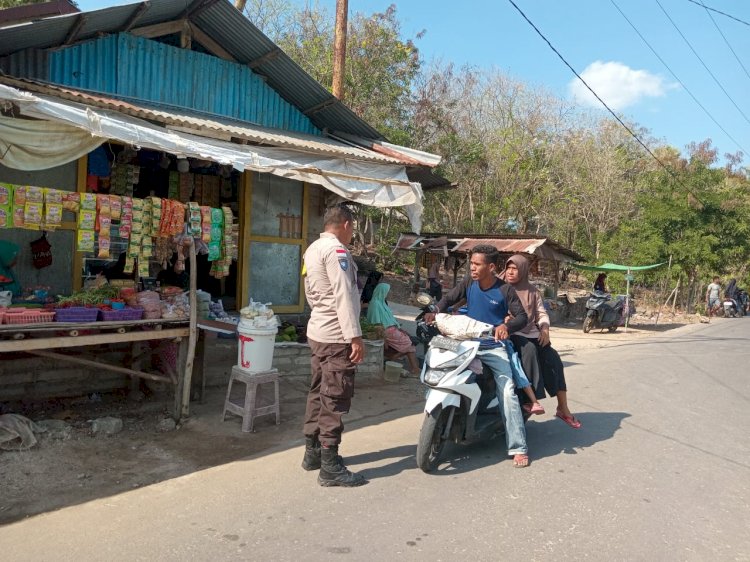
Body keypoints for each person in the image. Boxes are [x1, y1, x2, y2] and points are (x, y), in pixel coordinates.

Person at [426, 244, 532, 468]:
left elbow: (522, 317)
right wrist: (435, 311)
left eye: (476, 264)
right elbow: (449, 300)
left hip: (493, 345)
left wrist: (507, 328)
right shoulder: (468, 283)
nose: (472, 268)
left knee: (507, 391)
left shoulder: (505, 290)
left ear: (491, 267)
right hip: (465, 343)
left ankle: (518, 447)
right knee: (441, 370)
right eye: (471, 263)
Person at [300, 205, 366, 487]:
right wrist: (355, 336)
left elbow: (310, 292)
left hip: (318, 331)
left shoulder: (312, 249)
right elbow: (344, 297)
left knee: (318, 391)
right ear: (347, 225)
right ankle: (329, 466)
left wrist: (321, 314)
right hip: (337, 336)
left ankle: (312, 452)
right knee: (334, 397)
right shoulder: (337, 251)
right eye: (353, 229)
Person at [502, 254, 581, 429]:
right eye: (508, 268)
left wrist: (545, 328)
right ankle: (532, 400)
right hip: (510, 334)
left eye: (515, 269)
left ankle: (563, 407)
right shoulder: (499, 288)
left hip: (532, 332)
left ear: (523, 271)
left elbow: (541, 312)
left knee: (553, 358)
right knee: (529, 350)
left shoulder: (532, 292)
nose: (510, 272)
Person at [366, 282, 420, 376]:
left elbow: (391, 320)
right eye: (387, 291)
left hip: (392, 329)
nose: (388, 293)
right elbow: (376, 322)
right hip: (386, 331)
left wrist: (399, 328)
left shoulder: (381, 303)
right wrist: (383, 337)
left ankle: (413, 369)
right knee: (408, 344)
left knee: (410, 344)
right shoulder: (375, 304)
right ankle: (395, 361)